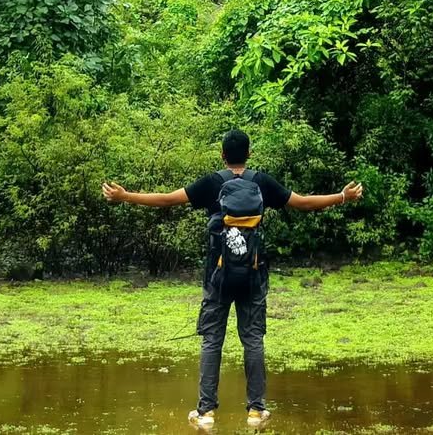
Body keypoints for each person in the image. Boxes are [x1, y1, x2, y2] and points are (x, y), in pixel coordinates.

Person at [102, 128, 363, 428]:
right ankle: (255, 411)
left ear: (222, 155)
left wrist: (124, 196)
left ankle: (205, 413)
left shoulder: (212, 183)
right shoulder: (261, 182)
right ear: (249, 154)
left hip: (218, 274)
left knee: (212, 339)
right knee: (252, 339)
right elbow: (303, 203)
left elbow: (166, 200)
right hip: (253, 273)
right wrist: (343, 196)